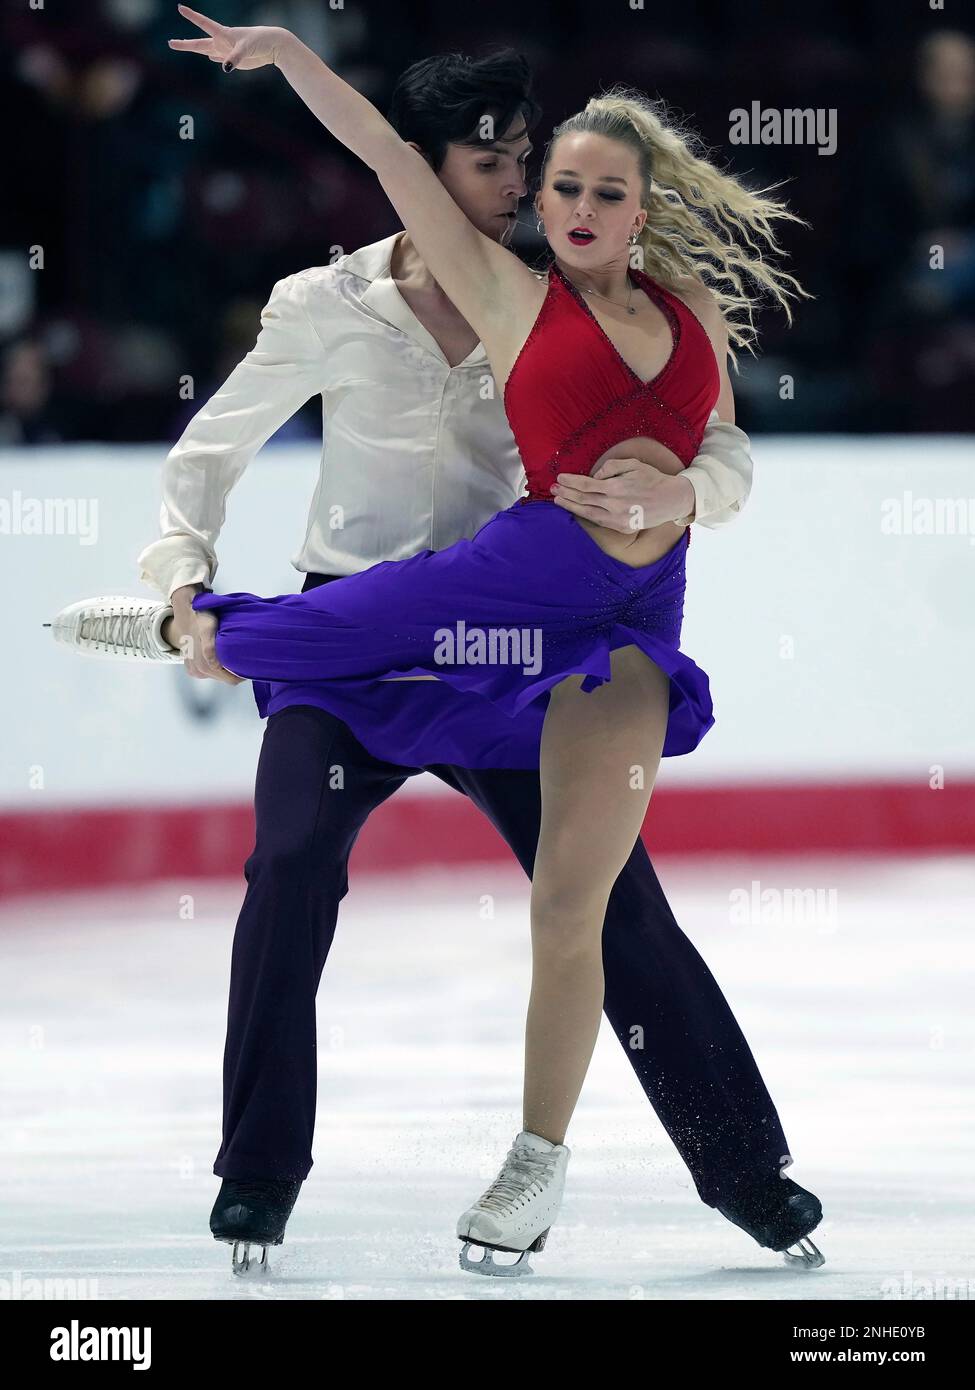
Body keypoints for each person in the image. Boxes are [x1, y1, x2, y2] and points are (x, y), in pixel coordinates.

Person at [53, 10, 823, 1277]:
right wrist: (180, 564)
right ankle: (257, 1176)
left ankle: (749, 1172)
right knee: (288, 870)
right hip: (352, 642)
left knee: (607, 902)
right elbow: (213, 443)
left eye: (535, 164)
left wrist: (683, 495)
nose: (520, 187)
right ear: (430, 166)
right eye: (497, 164)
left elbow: (715, 437)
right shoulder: (332, 300)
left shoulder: (547, 289)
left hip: (509, 652)